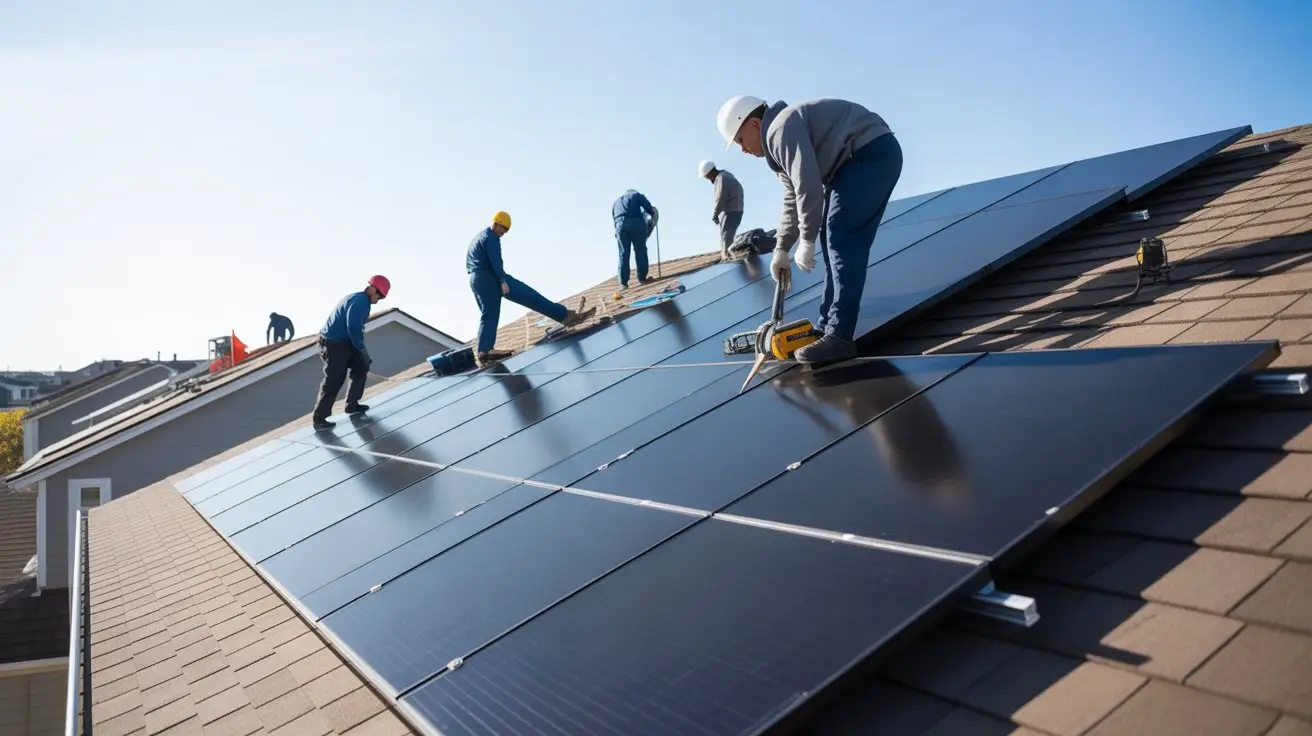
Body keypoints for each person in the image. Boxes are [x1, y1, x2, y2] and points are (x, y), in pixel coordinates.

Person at [716, 95, 903, 365]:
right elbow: (793, 198)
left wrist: (806, 239)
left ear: (755, 124)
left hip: (867, 155)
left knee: (840, 237)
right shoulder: (778, 144)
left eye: (740, 141)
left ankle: (839, 335)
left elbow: (808, 186)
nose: (743, 150)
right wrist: (781, 248)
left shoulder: (781, 129)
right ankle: (827, 327)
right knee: (832, 238)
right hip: (856, 161)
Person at [467, 211, 596, 367]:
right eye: (504, 229)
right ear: (496, 224)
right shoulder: (491, 238)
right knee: (527, 294)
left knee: (488, 313)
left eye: (507, 231)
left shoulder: (480, 237)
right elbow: (496, 261)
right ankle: (564, 315)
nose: (504, 233)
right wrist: (502, 280)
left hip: (476, 279)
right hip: (489, 277)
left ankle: (484, 350)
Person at [311, 275, 389, 430]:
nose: (378, 299)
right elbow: (353, 328)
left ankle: (352, 404)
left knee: (361, 365)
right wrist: (361, 350)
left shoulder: (362, 301)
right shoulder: (360, 302)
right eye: (379, 295)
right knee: (335, 377)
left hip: (344, 341)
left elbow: (352, 331)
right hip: (332, 343)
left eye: (382, 297)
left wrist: (362, 355)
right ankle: (319, 418)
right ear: (372, 288)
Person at [611, 189, 659, 288]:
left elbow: (614, 219)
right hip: (635, 222)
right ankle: (642, 278)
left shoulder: (616, 202)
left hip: (619, 226)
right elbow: (648, 208)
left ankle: (623, 283)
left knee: (623, 253)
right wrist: (652, 213)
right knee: (640, 249)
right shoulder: (636, 195)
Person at [698, 160, 744, 260]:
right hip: (737, 210)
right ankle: (728, 256)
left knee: (726, 236)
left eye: (706, 176)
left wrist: (715, 214)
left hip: (730, 211)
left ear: (709, 173)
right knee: (728, 235)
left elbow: (720, 198)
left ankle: (727, 258)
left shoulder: (721, 178)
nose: (707, 178)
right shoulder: (728, 176)